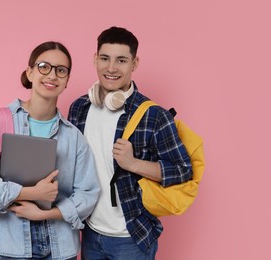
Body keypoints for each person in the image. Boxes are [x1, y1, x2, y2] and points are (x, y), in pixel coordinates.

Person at [0, 41, 100, 260]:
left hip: (61, 248)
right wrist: (31, 193)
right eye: (44, 66)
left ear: (67, 81)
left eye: (61, 70)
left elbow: (88, 193)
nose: (52, 75)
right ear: (30, 72)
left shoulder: (74, 137)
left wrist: (47, 213)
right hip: (14, 246)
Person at [68, 26, 193, 259]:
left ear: (134, 64)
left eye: (121, 60)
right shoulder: (79, 108)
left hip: (132, 237)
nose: (112, 68)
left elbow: (183, 170)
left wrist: (133, 163)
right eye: (105, 58)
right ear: (95, 59)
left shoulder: (154, 115)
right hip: (90, 234)